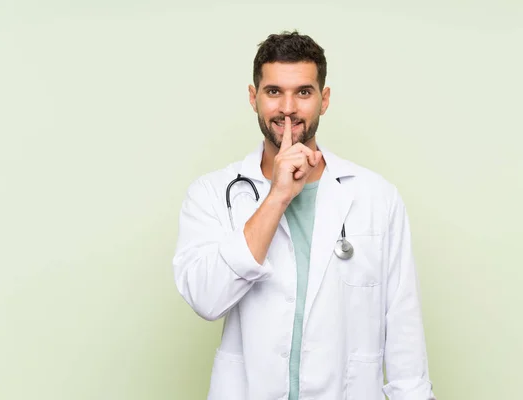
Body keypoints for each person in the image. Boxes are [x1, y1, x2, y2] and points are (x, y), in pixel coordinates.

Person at [173, 31, 436, 400]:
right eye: (274, 91)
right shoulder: (212, 194)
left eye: (303, 92)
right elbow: (206, 298)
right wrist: (277, 196)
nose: (288, 108)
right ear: (254, 97)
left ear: (324, 99)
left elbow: (404, 328)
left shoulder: (377, 197)